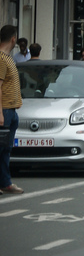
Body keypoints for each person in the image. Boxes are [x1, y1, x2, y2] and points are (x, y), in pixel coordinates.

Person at [0, 25, 24, 194]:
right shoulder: (1, 59)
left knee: (6, 148)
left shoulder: (8, 58)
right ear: (13, 39)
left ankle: (4, 182)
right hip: (5, 110)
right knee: (1, 148)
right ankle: (5, 182)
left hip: (12, 110)